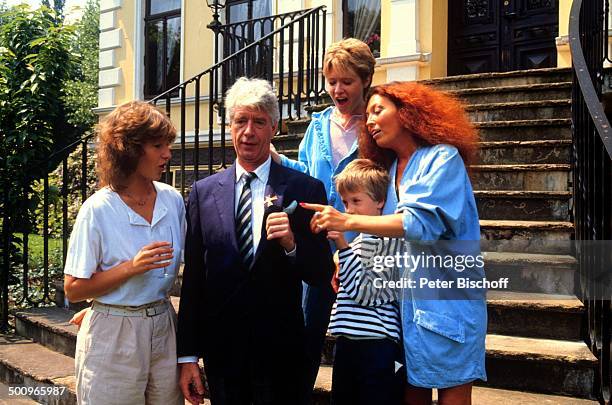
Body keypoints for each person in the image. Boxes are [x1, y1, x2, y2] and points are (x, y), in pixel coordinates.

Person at [302, 81, 487, 405]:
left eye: (378, 110)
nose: (369, 120)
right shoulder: (387, 171)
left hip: (446, 302)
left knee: (452, 395)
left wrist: (347, 222)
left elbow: (420, 224)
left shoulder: (443, 159)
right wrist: (345, 256)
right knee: (409, 396)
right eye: (368, 114)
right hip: (401, 310)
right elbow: (378, 232)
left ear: (408, 113)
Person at [176, 77, 334, 405]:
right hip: (224, 354)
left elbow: (321, 274)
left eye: (259, 122)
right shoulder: (203, 193)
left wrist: (292, 245)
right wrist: (187, 356)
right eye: (241, 121)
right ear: (229, 125)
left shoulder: (306, 190)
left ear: (274, 127)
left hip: (282, 353)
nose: (249, 131)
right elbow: (193, 280)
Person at [271, 38, 377, 402]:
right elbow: (306, 175)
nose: (337, 89)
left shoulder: (377, 125)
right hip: (317, 244)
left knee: (362, 336)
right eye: (332, 81)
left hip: (361, 246)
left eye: (346, 81)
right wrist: (280, 162)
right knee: (307, 332)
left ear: (365, 79)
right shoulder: (317, 126)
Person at [63, 101, 185, 405]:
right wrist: (131, 268)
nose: (167, 154)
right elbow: (74, 288)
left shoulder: (173, 200)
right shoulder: (98, 209)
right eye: (157, 145)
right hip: (113, 337)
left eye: (168, 145)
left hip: (163, 325)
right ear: (129, 150)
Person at [326, 159, 404, 405]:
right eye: (346, 202)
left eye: (356, 201)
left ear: (380, 201)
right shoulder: (358, 242)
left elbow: (366, 293)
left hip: (376, 344)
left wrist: (341, 245)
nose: (349, 210)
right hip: (348, 341)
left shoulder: (390, 241)